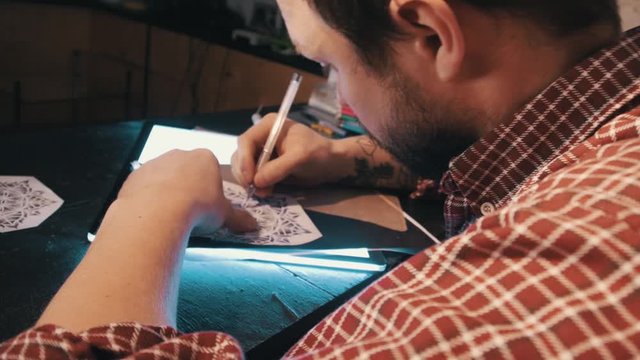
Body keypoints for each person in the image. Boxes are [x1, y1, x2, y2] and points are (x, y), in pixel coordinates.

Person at [2, 0, 639, 358]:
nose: (338, 91)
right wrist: (352, 155)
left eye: (329, 62)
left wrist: (149, 214)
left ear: (430, 32)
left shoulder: (491, 313)